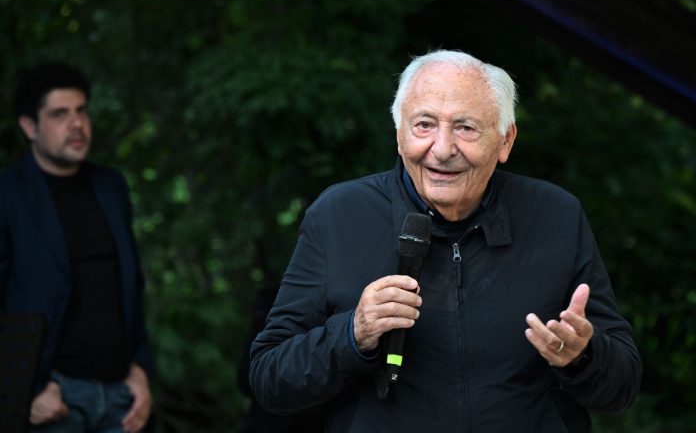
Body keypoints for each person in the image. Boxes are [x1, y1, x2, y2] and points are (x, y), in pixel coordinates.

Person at [249, 50, 642, 432]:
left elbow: (622, 388)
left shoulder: (555, 216)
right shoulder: (340, 215)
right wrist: (353, 334)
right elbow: (269, 378)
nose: (442, 149)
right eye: (424, 125)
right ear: (399, 135)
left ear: (505, 141)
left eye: (465, 128)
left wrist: (582, 357)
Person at [0, 62, 154, 432]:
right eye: (59, 114)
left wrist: (140, 368)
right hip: (52, 397)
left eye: (81, 111)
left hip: (120, 397)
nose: (76, 124)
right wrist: (23, 388)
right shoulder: (8, 196)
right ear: (29, 127)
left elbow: (130, 284)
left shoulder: (110, 186)